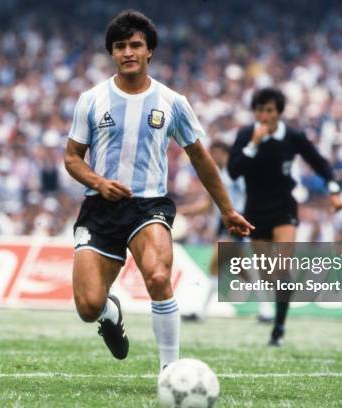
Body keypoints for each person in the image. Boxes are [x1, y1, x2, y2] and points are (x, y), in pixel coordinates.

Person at [64, 10, 253, 371]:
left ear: (149, 51)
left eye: (136, 45)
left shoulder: (172, 102)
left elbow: (200, 158)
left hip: (148, 206)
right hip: (99, 208)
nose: (128, 52)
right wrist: (99, 182)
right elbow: (72, 159)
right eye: (120, 46)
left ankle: (170, 371)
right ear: (112, 53)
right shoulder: (90, 100)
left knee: (159, 276)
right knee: (88, 307)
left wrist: (227, 210)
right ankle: (110, 312)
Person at [228, 87, 342, 346]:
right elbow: (234, 171)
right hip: (255, 212)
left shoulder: (292, 136)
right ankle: (279, 309)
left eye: (269, 110)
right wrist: (254, 144)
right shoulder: (246, 135)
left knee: (281, 269)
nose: (264, 116)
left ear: (278, 113)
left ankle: (278, 329)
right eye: (260, 110)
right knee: (268, 274)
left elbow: (320, 163)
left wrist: (334, 190)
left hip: (284, 210)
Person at [178, 142, 268, 322]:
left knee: (215, 265)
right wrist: (185, 211)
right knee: (242, 270)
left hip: (237, 221)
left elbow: (253, 196)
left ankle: (200, 312)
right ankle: (267, 311)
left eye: (216, 153)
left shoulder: (237, 174)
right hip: (226, 223)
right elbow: (207, 204)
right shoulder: (217, 174)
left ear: (224, 153)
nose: (213, 157)